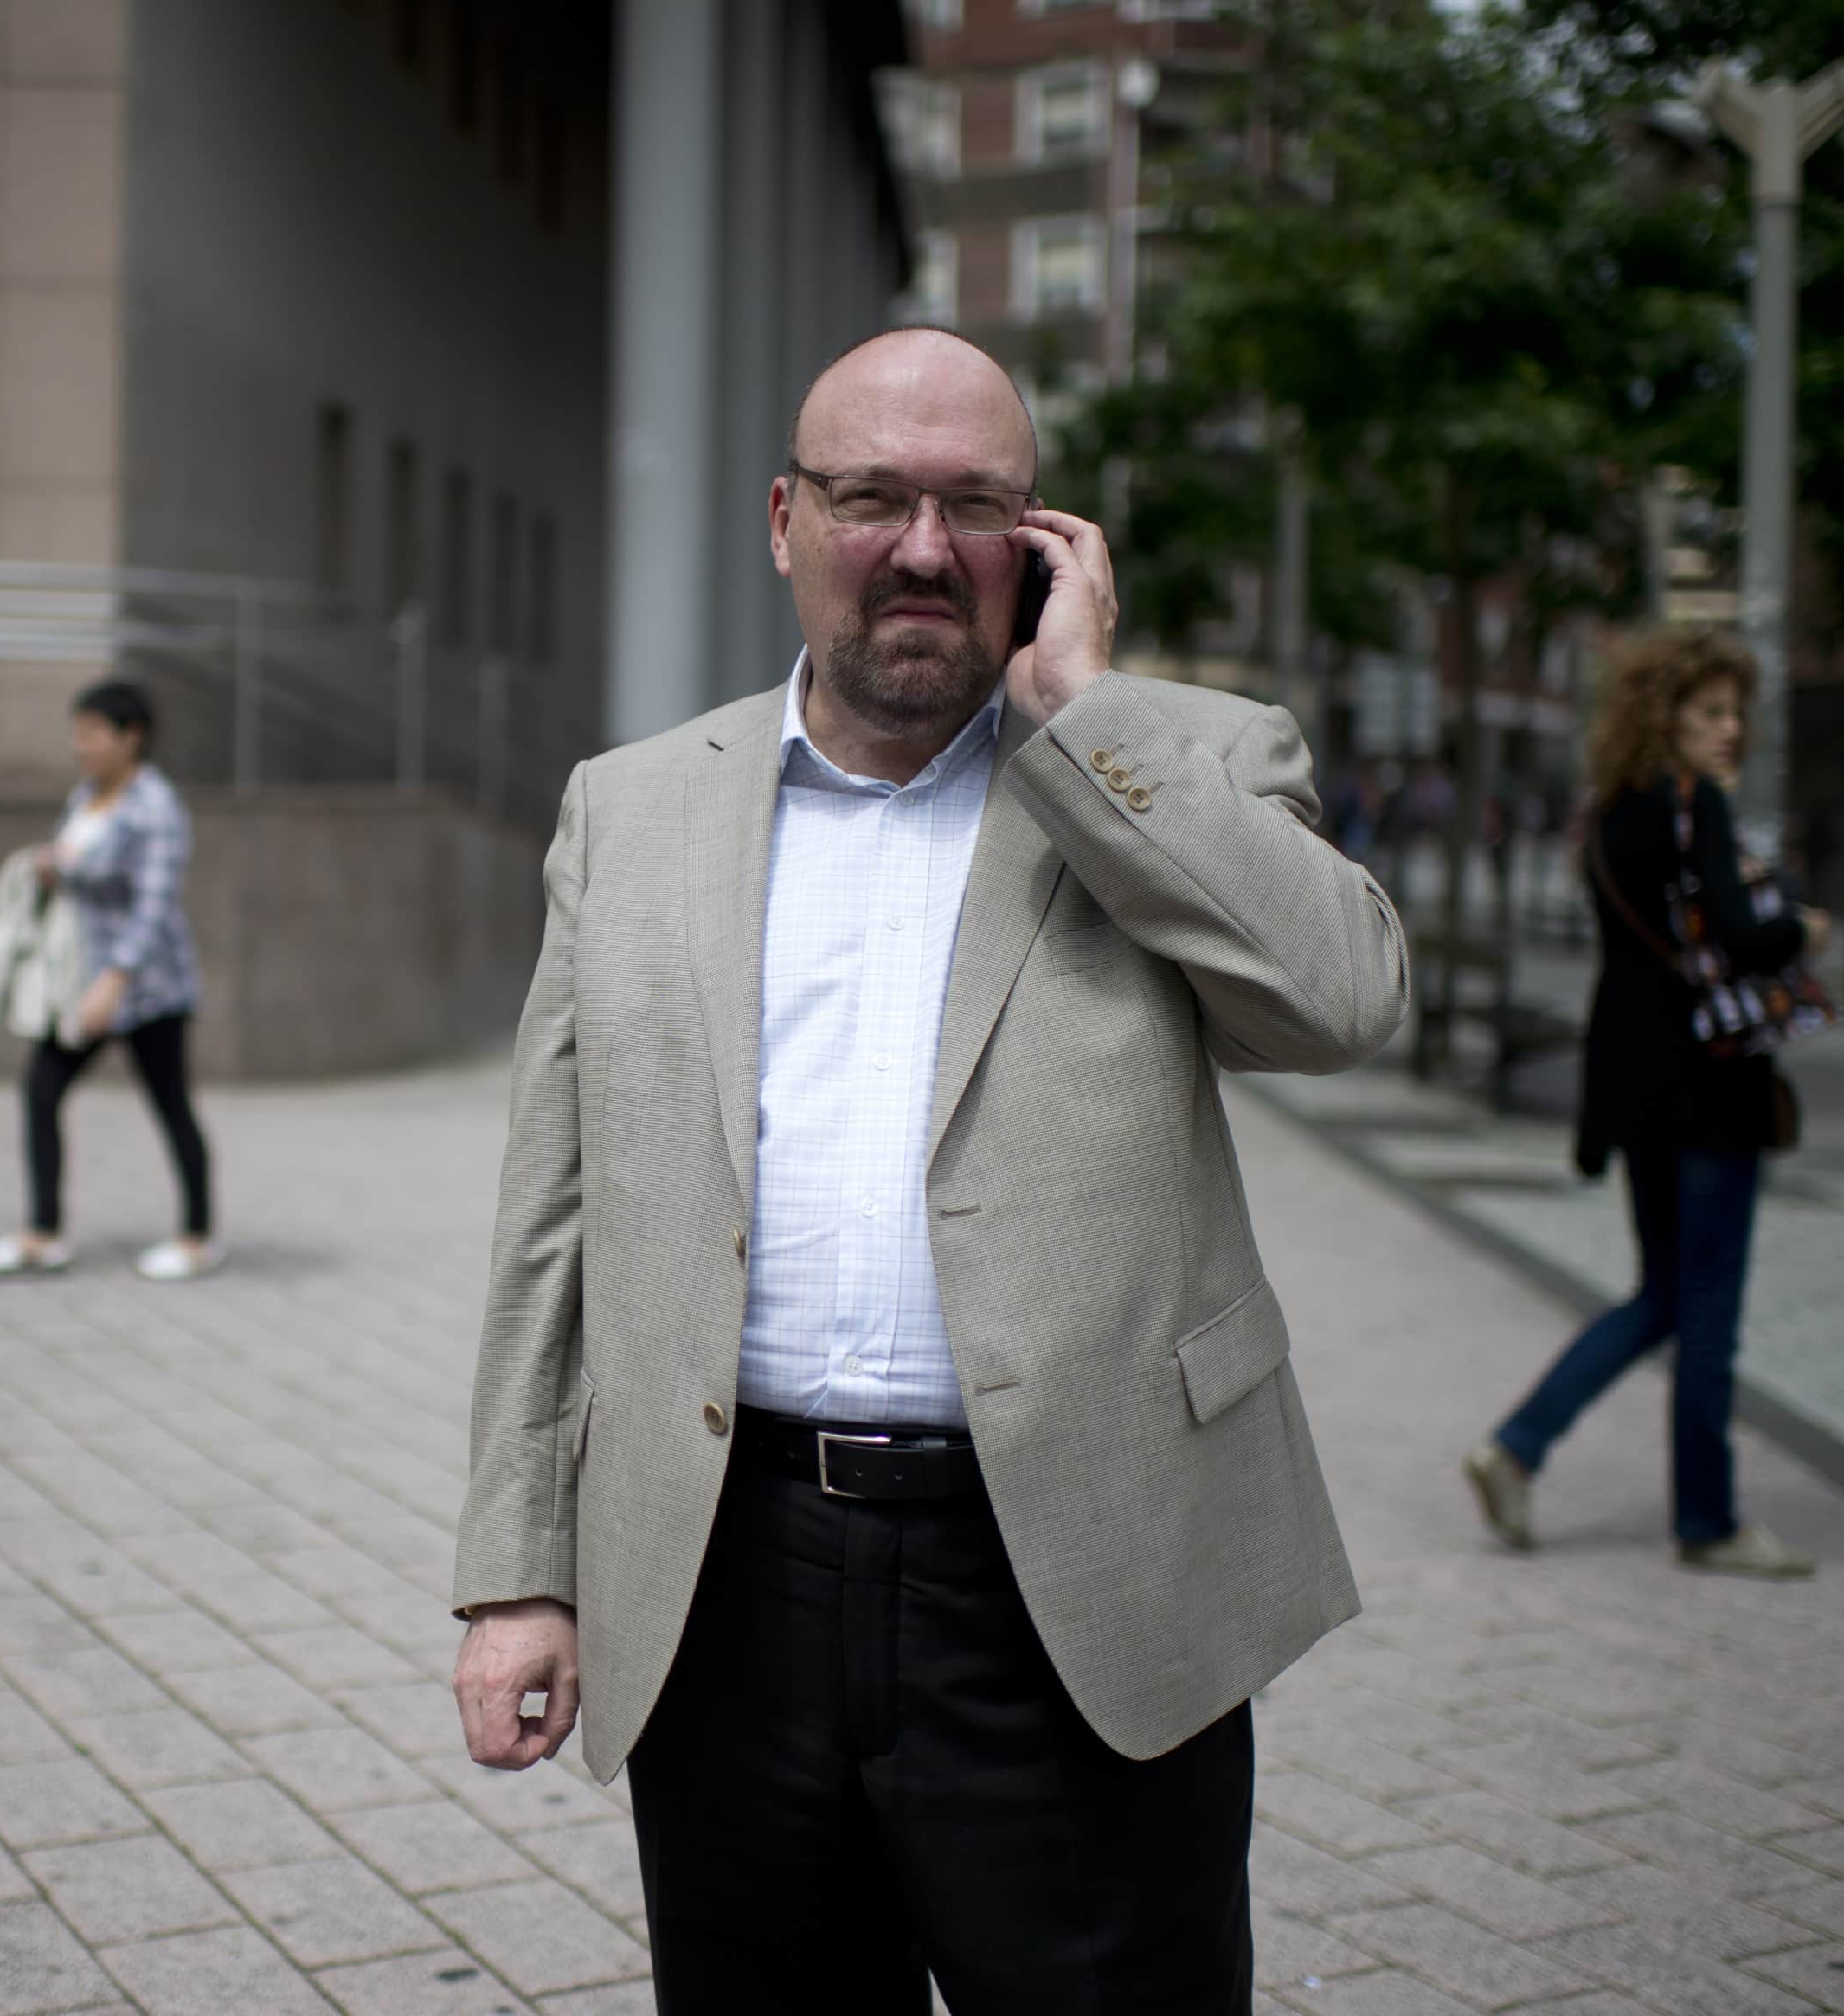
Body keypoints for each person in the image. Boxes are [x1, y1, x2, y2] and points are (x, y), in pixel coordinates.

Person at [448, 327, 1408, 2013]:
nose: (915, 547)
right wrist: (521, 1569)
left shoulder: (1176, 761)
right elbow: (556, 1217)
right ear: (783, 520)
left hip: (1072, 1585)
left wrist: (1083, 722)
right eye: (869, 496)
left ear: (1043, 545)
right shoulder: (630, 810)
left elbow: (1340, 1005)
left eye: (972, 506)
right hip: (727, 1578)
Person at [1462, 629, 1827, 1576]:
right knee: (1705, 1312)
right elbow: (1743, 939)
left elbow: (1634, 966)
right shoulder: (1689, 804)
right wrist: (1800, 925)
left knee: (1661, 1294)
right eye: (1707, 712)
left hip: (1639, 1099)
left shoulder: (1609, 816)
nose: (1727, 729)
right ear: (1662, 715)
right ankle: (1706, 1521)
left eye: (1733, 713)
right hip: (1710, 1096)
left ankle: (1515, 1446)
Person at [0, 680, 219, 1282]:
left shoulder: (156, 808)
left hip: (150, 990)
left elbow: (153, 906)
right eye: (76, 732)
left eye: (91, 733)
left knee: (170, 1105)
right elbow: (80, 873)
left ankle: (196, 1238)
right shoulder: (87, 796)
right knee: (41, 1090)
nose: (79, 745)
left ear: (131, 737)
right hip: (82, 981)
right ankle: (42, 1232)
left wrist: (116, 981)